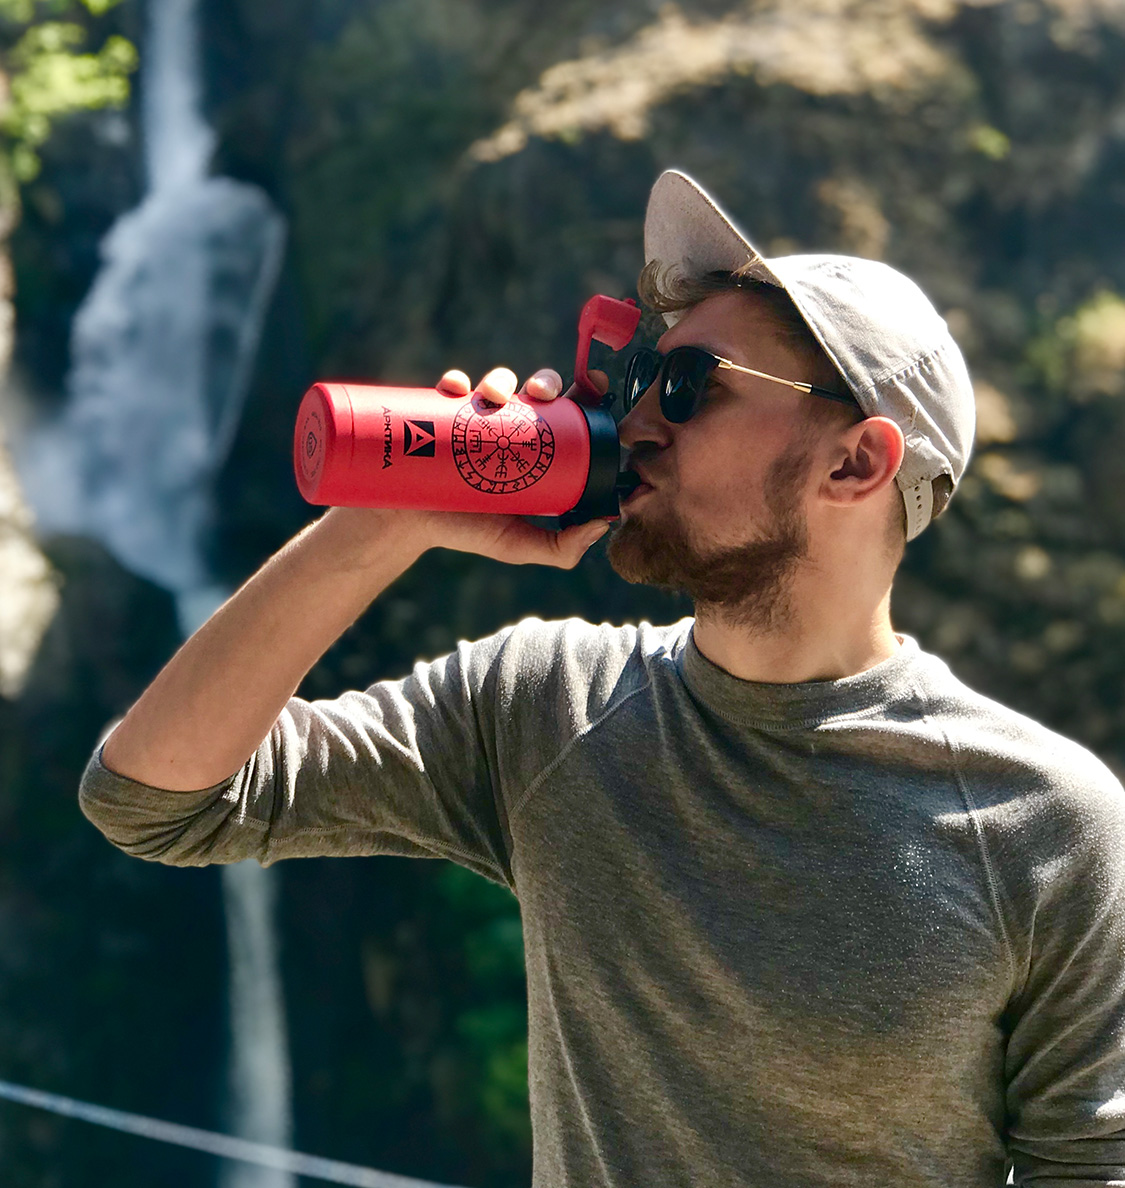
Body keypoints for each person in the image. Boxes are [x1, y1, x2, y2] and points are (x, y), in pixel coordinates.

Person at [80, 168, 1125, 1187]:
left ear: (855, 463)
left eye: (690, 385)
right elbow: (155, 802)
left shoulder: (1044, 820)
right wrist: (388, 517)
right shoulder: (544, 703)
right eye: (638, 380)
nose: (636, 421)